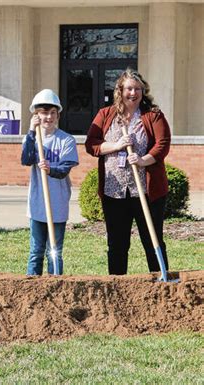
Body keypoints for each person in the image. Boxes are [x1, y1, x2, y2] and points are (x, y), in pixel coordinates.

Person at [85, 68, 171, 275]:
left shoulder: (153, 116)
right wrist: (116, 145)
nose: (133, 93)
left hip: (146, 191)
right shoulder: (106, 114)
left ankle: (161, 279)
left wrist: (143, 161)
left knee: (152, 239)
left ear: (143, 91)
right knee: (117, 243)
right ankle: (117, 285)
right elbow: (92, 144)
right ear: (120, 90)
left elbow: (163, 145)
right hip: (114, 192)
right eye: (129, 89)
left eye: (138, 89)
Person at [21, 89, 79, 275]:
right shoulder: (31, 138)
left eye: (52, 113)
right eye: (44, 113)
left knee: (55, 250)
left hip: (58, 202)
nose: (48, 117)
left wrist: (50, 169)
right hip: (38, 202)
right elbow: (26, 159)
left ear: (58, 115)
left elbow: (64, 170)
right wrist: (31, 131)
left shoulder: (66, 140)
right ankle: (32, 287)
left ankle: (56, 283)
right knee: (36, 251)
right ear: (36, 115)